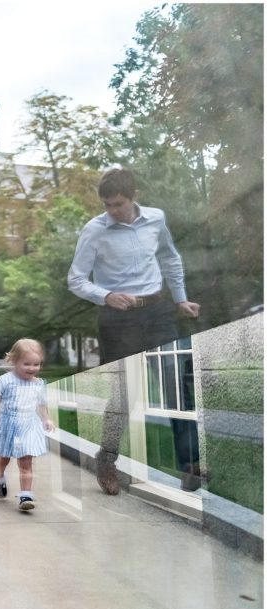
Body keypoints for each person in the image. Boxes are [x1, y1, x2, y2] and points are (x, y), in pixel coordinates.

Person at [67, 168, 200, 494]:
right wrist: (107, 296)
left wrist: (181, 298)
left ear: (133, 195)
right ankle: (107, 459)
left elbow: (170, 258)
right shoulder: (94, 231)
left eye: (119, 203)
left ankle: (190, 465)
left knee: (176, 387)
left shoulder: (155, 219)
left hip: (157, 312)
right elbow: (76, 279)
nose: (113, 210)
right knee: (125, 394)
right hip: (118, 321)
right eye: (108, 204)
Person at [0, 339, 55, 512]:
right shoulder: (6, 380)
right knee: (2, 460)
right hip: (7, 425)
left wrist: (46, 419)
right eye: (26, 363)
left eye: (36, 364)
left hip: (27, 426)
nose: (32, 368)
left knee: (26, 463)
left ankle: (26, 495)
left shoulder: (38, 384)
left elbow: (41, 405)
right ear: (14, 360)